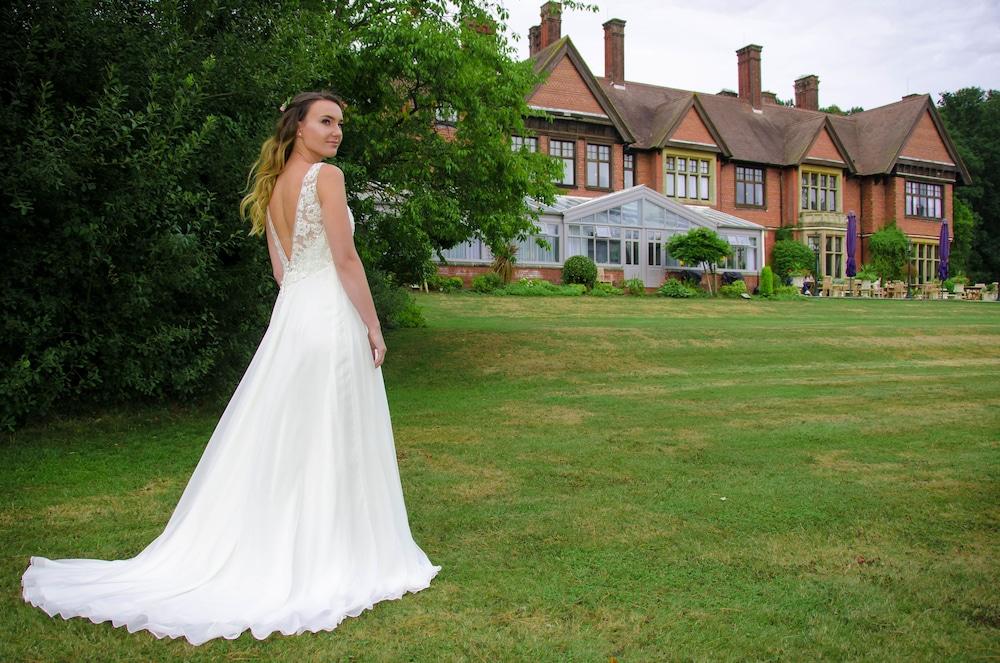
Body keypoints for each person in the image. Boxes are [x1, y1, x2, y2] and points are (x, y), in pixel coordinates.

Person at [21, 91, 441, 645]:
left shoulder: (272, 191)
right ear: (298, 126)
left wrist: (306, 310)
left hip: (292, 321)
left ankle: (286, 541)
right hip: (328, 319)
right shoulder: (327, 179)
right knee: (329, 434)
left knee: (290, 437)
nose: (337, 132)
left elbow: (283, 273)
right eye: (326, 121)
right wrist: (373, 326)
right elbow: (345, 259)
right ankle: (334, 550)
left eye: (340, 123)